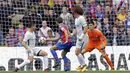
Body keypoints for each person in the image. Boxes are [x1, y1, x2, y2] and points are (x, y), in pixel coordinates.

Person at [71, 5, 88, 72]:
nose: (73, 13)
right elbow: (76, 29)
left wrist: (82, 36)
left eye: (74, 12)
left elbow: (86, 28)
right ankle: (82, 66)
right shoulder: (76, 19)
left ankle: (84, 65)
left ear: (76, 12)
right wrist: (72, 34)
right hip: (78, 38)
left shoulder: (81, 18)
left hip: (83, 38)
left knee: (78, 52)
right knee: (77, 52)